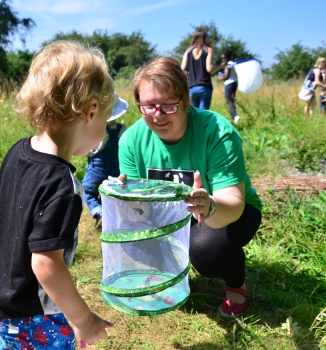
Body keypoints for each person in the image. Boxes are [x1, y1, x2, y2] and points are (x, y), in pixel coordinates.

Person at [0, 40, 115, 349]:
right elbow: (46, 264)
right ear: (91, 111)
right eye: (106, 120)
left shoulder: (18, 151)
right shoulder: (63, 185)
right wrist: (83, 319)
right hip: (31, 312)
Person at [118, 57, 262, 318]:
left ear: (185, 101)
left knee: (205, 251)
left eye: (169, 105)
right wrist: (127, 203)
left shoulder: (217, 131)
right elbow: (142, 212)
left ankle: (235, 282)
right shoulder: (130, 140)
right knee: (129, 235)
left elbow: (235, 202)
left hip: (229, 213)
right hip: (172, 216)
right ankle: (173, 274)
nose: (158, 115)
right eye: (149, 106)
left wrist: (209, 206)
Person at [82, 92, 128, 230]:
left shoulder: (97, 132)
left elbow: (89, 150)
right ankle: (113, 218)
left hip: (96, 170)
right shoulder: (122, 130)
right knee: (113, 194)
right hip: (116, 170)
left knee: (88, 192)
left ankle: (99, 213)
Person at [181, 29, 225, 110]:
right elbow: (209, 68)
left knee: (194, 114)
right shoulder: (208, 50)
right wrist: (221, 66)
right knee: (203, 114)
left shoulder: (188, 50)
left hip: (192, 88)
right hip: (204, 87)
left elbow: (183, 67)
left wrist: (191, 67)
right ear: (206, 38)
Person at [218, 50, 241, 123]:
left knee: (228, 101)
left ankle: (235, 115)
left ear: (227, 57)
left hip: (229, 84)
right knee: (232, 100)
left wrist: (220, 77)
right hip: (234, 83)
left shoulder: (228, 64)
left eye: (224, 58)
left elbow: (226, 76)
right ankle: (233, 117)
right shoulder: (233, 63)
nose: (223, 60)